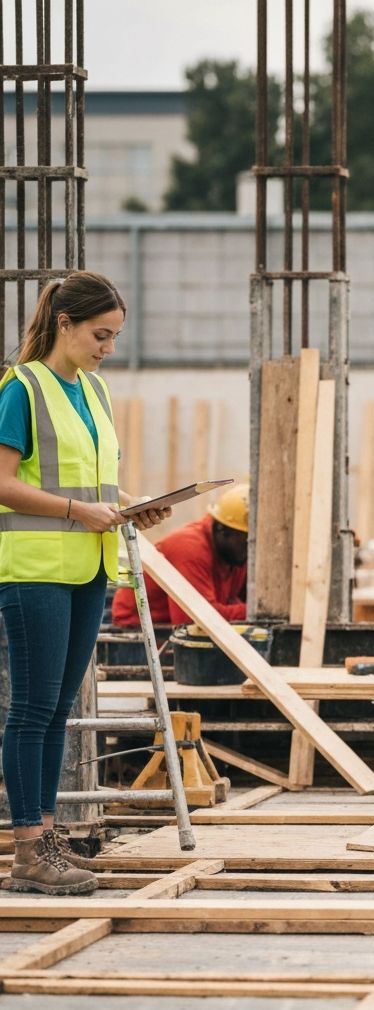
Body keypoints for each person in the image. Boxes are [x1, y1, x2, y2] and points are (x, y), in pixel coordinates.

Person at [0, 271, 169, 896]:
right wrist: (78, 513)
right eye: (100, 335)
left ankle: (45, 841)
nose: (108, 348)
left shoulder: (93, 392)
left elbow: (90, 485)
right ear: (64, 324)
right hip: (36, 570)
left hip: (89, 567)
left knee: (56, 712)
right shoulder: (21, 389)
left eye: (116, 338)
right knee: (33, 710)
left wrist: (131, 503)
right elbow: (3, 483)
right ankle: (28, 848)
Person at [110, 483, 248, 627]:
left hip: (170, 627)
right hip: (137, 631)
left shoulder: (234, 550)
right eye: (246, 540)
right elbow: (192, 620)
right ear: (222, 529)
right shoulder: (190, 549)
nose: (250, 548)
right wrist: (252, 611)